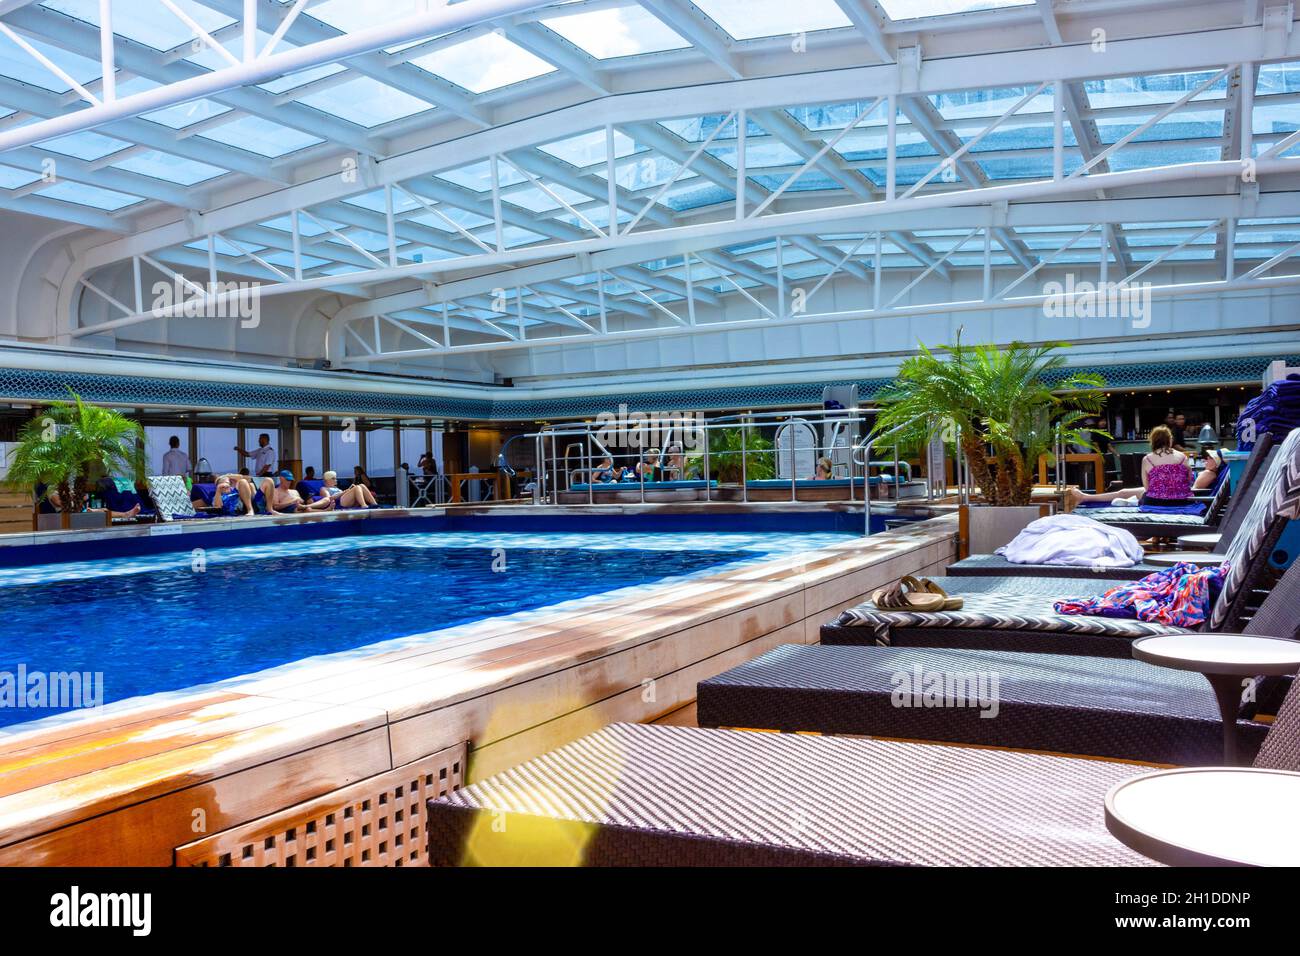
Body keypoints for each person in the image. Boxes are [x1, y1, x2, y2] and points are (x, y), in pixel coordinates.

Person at [1065, 425, 1192, 510]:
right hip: (1182, 500)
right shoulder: (1182, 457)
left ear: (1153, 441)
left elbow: (1148, 488)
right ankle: (1129, 501)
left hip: (1155, 501)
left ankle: (1086, 497)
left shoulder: (1148, 459)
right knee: (1128, 493)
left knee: (1125, 492)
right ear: (1170, 440)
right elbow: (1189, 480)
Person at [303, 470, 378, 510]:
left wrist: (348, 490)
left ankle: (375, 504)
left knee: (361, 485)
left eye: (335, 478)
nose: (336, 480)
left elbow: (344, 494)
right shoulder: (324, 489)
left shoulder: (336, 488)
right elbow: (329, 499)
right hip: (339, 503)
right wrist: (343, 492)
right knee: (357, 487)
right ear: (326, 480)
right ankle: (363, 505)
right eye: (333, 478)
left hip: (346, 500)